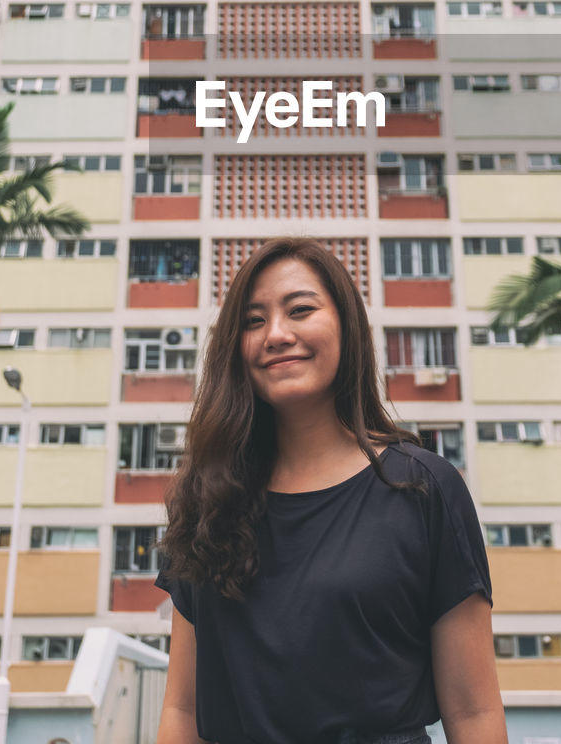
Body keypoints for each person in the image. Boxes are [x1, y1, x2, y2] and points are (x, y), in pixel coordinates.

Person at [154, 237, 506, 744]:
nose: (275, 334)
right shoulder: (207, 499)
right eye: (253, 321)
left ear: (347, 328)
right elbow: (183, 710)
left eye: (300, 310)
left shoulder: (423, 488)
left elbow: (474, 712)